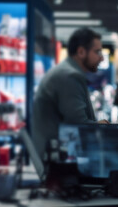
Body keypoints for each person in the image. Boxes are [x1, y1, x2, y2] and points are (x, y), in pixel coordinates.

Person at [32, 28, 106, 158]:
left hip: (55, 152)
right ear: (81, 52)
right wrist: (101, 126)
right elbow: (78, 123)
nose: (101, 58)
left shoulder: (66, 71)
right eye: (97, 52)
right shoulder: (69, 76)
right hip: (57, 159)